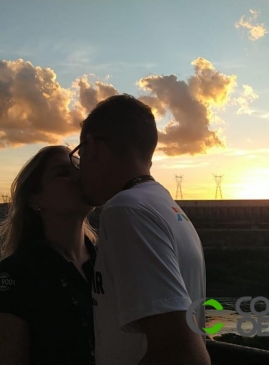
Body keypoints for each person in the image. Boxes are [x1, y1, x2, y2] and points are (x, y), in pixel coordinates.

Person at [70, 94, 211, 365]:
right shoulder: (165, 205)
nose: (79, 169)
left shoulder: (126, 210)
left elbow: (181, 353)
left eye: (79, 153)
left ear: (92, 146)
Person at [0, 145, 98, 365]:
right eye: (63, 172)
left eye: (80, 168)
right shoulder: (15, 276)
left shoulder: (108, 262)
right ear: (35, 199)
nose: (79, 176)